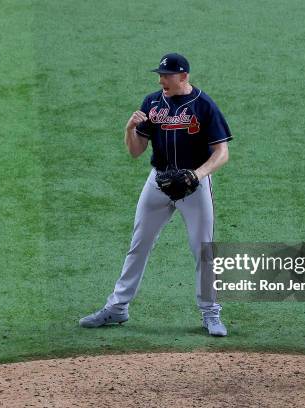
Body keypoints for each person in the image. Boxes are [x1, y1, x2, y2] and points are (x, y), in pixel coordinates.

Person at [79, 53, 232, 336]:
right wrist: (130, 129)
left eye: (167, 75)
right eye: (160, 75)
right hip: (157, 182)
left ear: (183, 76)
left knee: (204, 251)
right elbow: (136, 151)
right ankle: (117, 308)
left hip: (194, 186)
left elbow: (222, 153)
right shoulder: (152, 102)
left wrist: (196, 175)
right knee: (138, 245)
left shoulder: (203, 104)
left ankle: (211, 313)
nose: (161, 80)